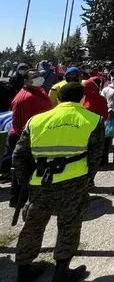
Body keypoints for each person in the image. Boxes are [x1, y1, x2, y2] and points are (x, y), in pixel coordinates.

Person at [12, 82, 104, 282]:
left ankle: (23, 271)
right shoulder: (92, 120)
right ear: (81, 98)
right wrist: (88, 177)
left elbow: (19, 155)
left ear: (59, 98)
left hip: (40, 182)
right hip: (74, 182)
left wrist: (24, 181)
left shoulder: (35, 121)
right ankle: (62, 272)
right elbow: (96, 155)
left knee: (33, 226)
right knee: (69, 226)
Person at [7, 70, 53, 205]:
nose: (38, 78)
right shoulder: (24, 98)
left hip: (39, 136)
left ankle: (32, 197)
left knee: (36, 169)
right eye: (34, 76)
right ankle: (18, 200)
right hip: (26, 138)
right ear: (26, 81)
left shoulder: (39, 91)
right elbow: (20, 124)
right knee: (22, 170)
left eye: (39, 75)